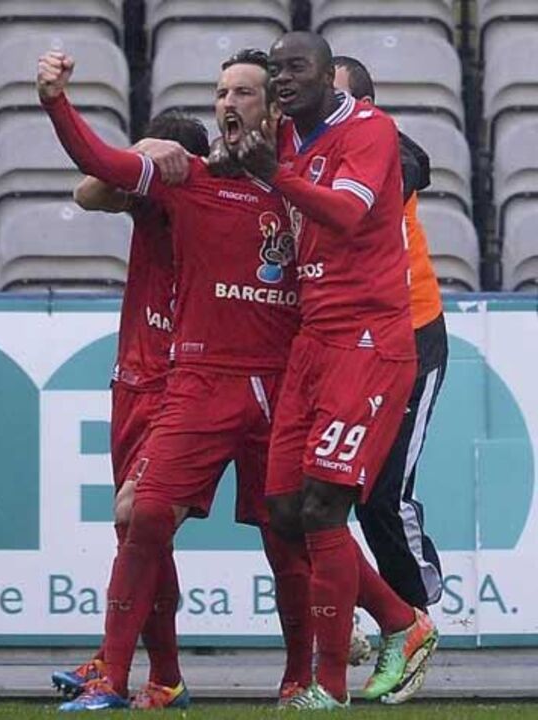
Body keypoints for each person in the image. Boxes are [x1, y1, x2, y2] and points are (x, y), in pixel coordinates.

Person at [38, 47, 301, 711]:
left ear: (274, 107)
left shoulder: (298, 185)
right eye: (220, 92)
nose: (228, 103)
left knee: (290, 531)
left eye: (242, 92)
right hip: (178, 379)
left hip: (270, 380)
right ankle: (142, 673)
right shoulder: (179, 185)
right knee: (141, 518)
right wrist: (63, 106)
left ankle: (318, 665)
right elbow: (93, 182)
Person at [233, 32, 439, 709]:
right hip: (312, 338)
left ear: (330, 78)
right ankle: (401, 623)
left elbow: (349, 214)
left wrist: (275, 173)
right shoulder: (285, 135)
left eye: (296, 68)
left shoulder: (368, 130)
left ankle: (327, 686)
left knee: (331, 504)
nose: (282, 80)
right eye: (276, 70)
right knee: (284, 510)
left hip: (369, 336)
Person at [50, 112, 210, 709]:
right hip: (132, 382)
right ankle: (159, 674)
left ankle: (121, 667)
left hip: (186, 385)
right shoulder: (145, 203)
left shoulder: (215, 206)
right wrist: (144, 149)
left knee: (139, 517)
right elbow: (87, 192)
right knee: (140, 529)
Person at [333, 57, 448, 633]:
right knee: (307, 498)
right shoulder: (303, 151)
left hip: (411, 336)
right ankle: (351, 621)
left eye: (329, 96)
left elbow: (409, 164)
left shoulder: (384, 151)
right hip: (339, 341)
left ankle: (414, 615)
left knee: (381, 494)